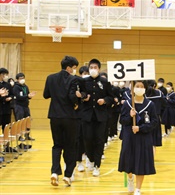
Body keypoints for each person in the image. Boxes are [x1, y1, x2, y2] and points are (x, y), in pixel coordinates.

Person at [43, 55, 80, 187]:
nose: (74, 70)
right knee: (70, 146)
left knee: (57, 145)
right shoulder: (73, 79)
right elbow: (72, 97)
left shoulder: (50, 78)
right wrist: (77, 101)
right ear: (69, 68)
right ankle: (68, 175)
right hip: (69, 117)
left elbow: (46, 95)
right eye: (74, 67)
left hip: (54, 116)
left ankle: (54, 172)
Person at [118, 80, 158, 195]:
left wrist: (141, 128)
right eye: (137, 86)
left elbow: (154, 122)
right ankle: (130, 178)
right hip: (129, 137)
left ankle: (138, 190)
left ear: (145, 89)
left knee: (141, 163)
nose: (139, 88)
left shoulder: (150, 104)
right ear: (133, 88)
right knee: (128, 161)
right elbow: (122, 120)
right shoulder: (127, 104)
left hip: (144, 137)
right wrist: (130, 117)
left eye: (141, 86)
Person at [80, 59, 113, 177]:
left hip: (101, 116)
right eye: (91, 67)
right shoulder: (84, 81)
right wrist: (84, 97)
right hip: (87, 116)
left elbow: (111, 97)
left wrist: (104, 100)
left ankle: (97, 165)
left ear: (99, 69)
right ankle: (90, 158)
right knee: (87, 138)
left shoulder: (105, 82)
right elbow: (80, 94)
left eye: (95, 67)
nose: (93, 69)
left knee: (99, 140)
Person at [13, 72, 35, 140]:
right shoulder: (16, 87)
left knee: (28, 120)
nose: (22, 80)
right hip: (19, 106)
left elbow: (27, 95)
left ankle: (27, 135)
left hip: (26, 106)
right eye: (20, 78)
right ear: (17, 79)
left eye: (23, 78)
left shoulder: (25, 86)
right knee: (20, 121)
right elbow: (18, 97)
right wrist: (27, 96)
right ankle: (19, 136)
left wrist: (30, 96)